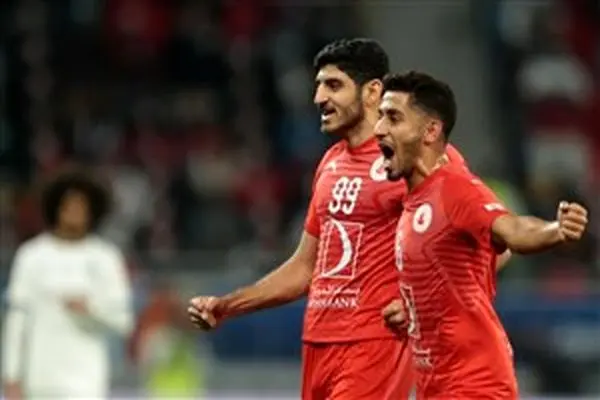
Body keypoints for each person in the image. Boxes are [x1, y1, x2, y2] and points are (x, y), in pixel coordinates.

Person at [374, 71, 588, 398]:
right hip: (437, 386)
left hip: (475, 385)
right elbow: (481, 258)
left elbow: (513, 231)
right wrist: (415, 308)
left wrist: (556, 229)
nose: (379, 129)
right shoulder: (414, 202)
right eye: (380, 117)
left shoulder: (455, 189)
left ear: (430, 131)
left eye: (393, 118)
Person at [2, 170, 134, 399]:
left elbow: (124, 321)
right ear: (56, 208)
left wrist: (90, 310)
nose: (74, 213)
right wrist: (11, 375)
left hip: (85, 382)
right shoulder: (31, 255)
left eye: (81, 207)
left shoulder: (105, 258)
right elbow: (17, 320)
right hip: (39, 380)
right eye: (68, 206)